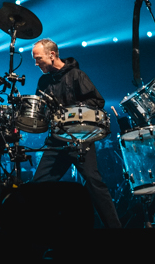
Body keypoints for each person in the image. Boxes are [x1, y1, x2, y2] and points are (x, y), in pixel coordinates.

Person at [30, 38, 121, 228]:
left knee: (94, 183)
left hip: (81, 138)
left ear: (52, 55)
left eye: (38, 58)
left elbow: (97, 102)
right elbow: (41, 113)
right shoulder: (43, 81)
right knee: (38, 186)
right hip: (56, 141)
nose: (36, 63)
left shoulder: (77, 75)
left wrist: (71, 111)